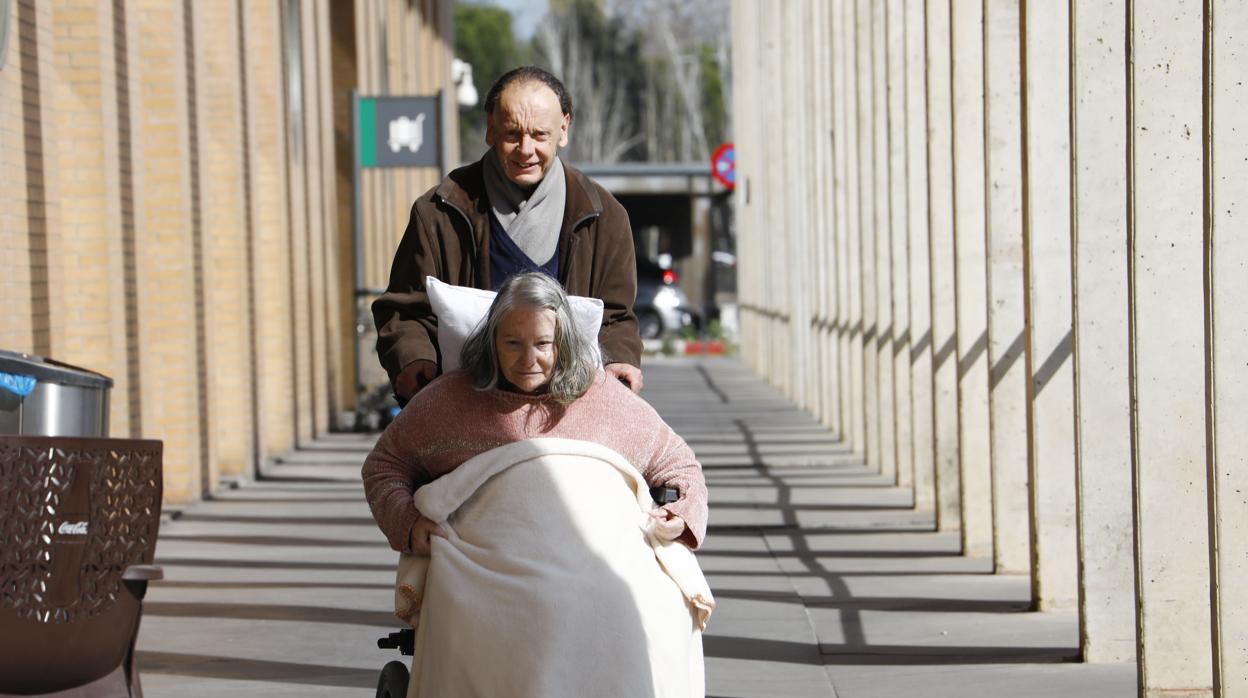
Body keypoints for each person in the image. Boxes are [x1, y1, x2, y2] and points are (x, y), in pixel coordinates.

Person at [362, 272, 707, 556]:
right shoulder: (447, 400)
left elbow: (680, 466)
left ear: (564, 343)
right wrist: (407, 522)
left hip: (591, 568)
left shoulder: (604, 399)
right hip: (477, 567)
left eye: (543, 344)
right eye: (512, 343)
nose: (528, 360)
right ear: (492, 342)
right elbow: (383, 467)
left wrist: (679, 515)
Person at [372, 66, 644, 404]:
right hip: (466, 400)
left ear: (564, 129)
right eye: (512, 134)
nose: (525, 149)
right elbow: (405, 311)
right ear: (490, 129)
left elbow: (616, 316)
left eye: (539, 135)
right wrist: (414, 358)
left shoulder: (604, 215)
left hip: (570, 405)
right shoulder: (440, 210)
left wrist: (619, 358)